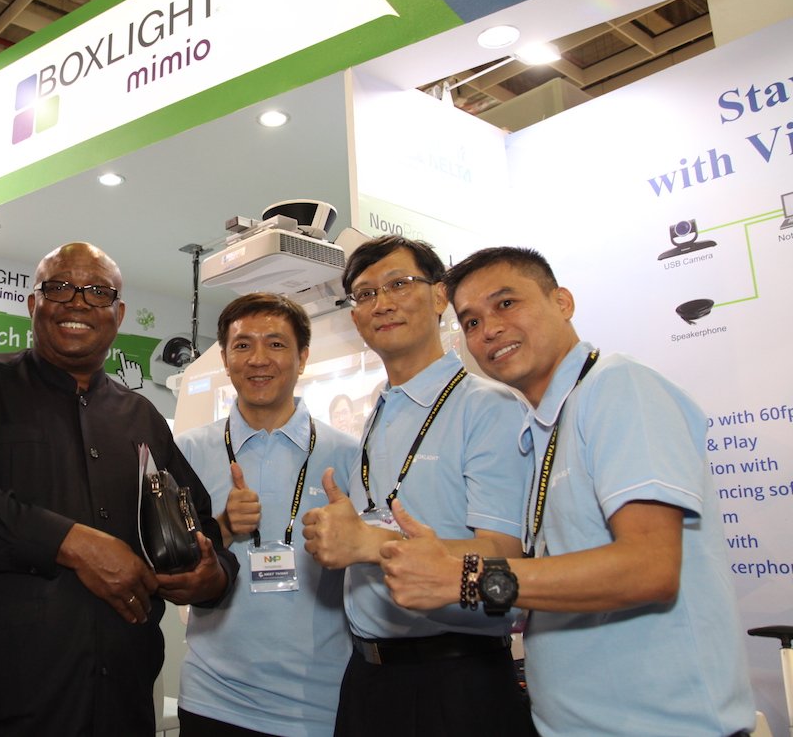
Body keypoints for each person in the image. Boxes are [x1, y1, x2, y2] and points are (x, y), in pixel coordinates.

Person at [379, 246, 754, 737]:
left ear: (563, 302)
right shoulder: (543, 427)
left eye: (506, 303)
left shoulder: (617, 386)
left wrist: (465, 578)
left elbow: (650, 567)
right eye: (471, 322)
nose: (489, 329)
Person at [0, 241, 239, 736]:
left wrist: (212, 578)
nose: (78, 302)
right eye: (59, 287)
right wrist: (72, 543)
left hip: (120, 704)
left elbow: (200, 526)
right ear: (32, 303)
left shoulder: (142, 418)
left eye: (98, 292)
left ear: (118, 314)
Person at [301, 235, 533, 736]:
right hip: (369, 676)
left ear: (439, 295)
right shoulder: (378, 414)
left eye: (399, 284)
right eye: (365, 295)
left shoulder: (487, 407)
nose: (382, 304)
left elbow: (506, 557)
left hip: (455, 679)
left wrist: (370, 544)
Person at [173, 293, 358, 737]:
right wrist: (222, 528)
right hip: (213, 698)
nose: (258, 359)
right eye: (242, 345)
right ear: (225, 358)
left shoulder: (348, 455)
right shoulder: (187, 452)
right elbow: (169, 571)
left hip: (322, 701)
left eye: (276, 344)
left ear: (303, 357)